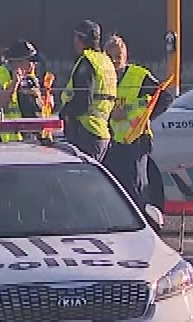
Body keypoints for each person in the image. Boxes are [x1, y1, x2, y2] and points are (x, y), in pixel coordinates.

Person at [102, 34, 164, 212]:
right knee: (114, 192)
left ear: (125, 57)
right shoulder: (103, 79)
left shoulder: (138, 76)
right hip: (111, 142)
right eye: (110, 58)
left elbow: (163, 97)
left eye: (118, 58)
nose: (114, 62)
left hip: (135, 142)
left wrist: (142, 119)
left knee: (137, 190)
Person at [60, 20, 118, 161]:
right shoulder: (106, 61)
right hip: (102, 131)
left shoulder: (87, 61)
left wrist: (65, 112)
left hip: (86, 131)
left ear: (80, 39)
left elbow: (83, 102)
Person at [0, 40, 45, 142]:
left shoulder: (30, 78)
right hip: (2, 142)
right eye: (30, 61)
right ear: (17, 62)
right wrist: (14, 85)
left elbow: (36, 110)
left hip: (28, 142)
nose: (32, 65)